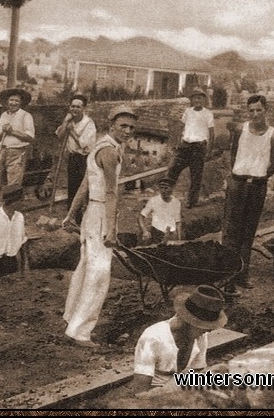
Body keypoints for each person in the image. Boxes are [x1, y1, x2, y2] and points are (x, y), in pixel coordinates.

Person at [61, 105, 138, 347]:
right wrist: (112, 230)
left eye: (131, 128)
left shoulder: (100, 144)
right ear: (112, 125)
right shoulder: (110, 152)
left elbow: (84, 185)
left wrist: (71, 215)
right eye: (123, 126)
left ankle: (71, 316)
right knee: (100, 272)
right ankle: (80, 331)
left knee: (85, 266)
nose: (127, 131)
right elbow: (111, 192)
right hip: (100, 213)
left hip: (91, 213)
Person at [222, 95, 274, 293]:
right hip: (238, 184)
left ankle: (242, 274)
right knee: (231, 232)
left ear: (266, 110)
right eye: (252, 110)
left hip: (257, 186)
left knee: (248, 232)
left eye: (259, 110)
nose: (255, 114)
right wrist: (238, 175)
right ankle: (227, 279)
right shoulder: (241, 130)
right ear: (248, 111)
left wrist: (259, 177)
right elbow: (233, 154)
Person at [129, 285, 228, 393]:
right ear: (188, 320)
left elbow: (198, 373)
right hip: (156, 395)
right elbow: (140, 392)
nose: (208, 331)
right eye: (204, 326)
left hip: (183, 390)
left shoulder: (200, 335)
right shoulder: (153, 338)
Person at [167, 87, 215, 209]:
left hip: (199, 147)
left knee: (196, 175)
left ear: (204, 99)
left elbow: (212, 133)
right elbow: (180, 127)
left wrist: (208, 151)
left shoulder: (208, 114)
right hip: (185, 146)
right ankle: (166, 197)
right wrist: (177, 142)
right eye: (194, 98)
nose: (197, 100)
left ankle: (191, 202)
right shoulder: (188, 112)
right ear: (191, 100)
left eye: (200, 98)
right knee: (173, 169)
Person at [55, 94, 97, 223]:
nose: (75, 109)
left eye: (78, 107)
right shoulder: (69, 120)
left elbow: (84, 144)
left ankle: (83, 217)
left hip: (85, 158)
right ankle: (71, 216)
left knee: (83, 188)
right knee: (72, 186)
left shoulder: (88, 123)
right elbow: (60, 135)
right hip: (73, 157)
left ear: (83, 108)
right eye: (72, 106)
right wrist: (65, 122)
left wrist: (72, 132)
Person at [0, 88, 35, 191]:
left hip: (17, 152)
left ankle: (12, 205)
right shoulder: (4, 115)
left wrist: (12, 132)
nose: (13, 103)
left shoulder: (26, 116)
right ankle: (0, 203)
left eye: (16, 101)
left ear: (21, 103)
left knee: (13, 182)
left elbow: (30, 137)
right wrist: (3, 130)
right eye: (11, 100)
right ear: (7, 101)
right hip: (2, 150)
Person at [138, 177, 182, 245]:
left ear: (172, 188)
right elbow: (141, 217)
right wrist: (144, 231)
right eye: (161, 188)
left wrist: (179, 238)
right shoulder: (154, 200)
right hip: (157, 234)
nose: (163, 191)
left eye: (166, 188)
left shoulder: (176, 202)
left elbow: (177, 221)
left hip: (171, 235)